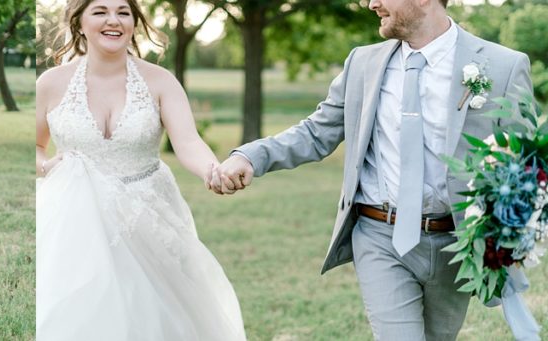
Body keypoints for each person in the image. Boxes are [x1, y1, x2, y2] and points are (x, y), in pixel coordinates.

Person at [212, 0, 532, 339]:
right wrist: (250, 157)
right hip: (380, 235)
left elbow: (526, 166)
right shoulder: (362, 63)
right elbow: (316, 132)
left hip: (456, 245)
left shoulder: (503, 66)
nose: (370, 3)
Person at [34, 0, 245, 339]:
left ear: (134, 22)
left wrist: (213, 169)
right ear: (79, 21)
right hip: (74, 221)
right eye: (100, 11)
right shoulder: (50, 83)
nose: (112, 20)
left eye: (123, 12)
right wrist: (45, 165)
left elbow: (188, 142)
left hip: (147, 216)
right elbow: (35, 147)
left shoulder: (161, 81)